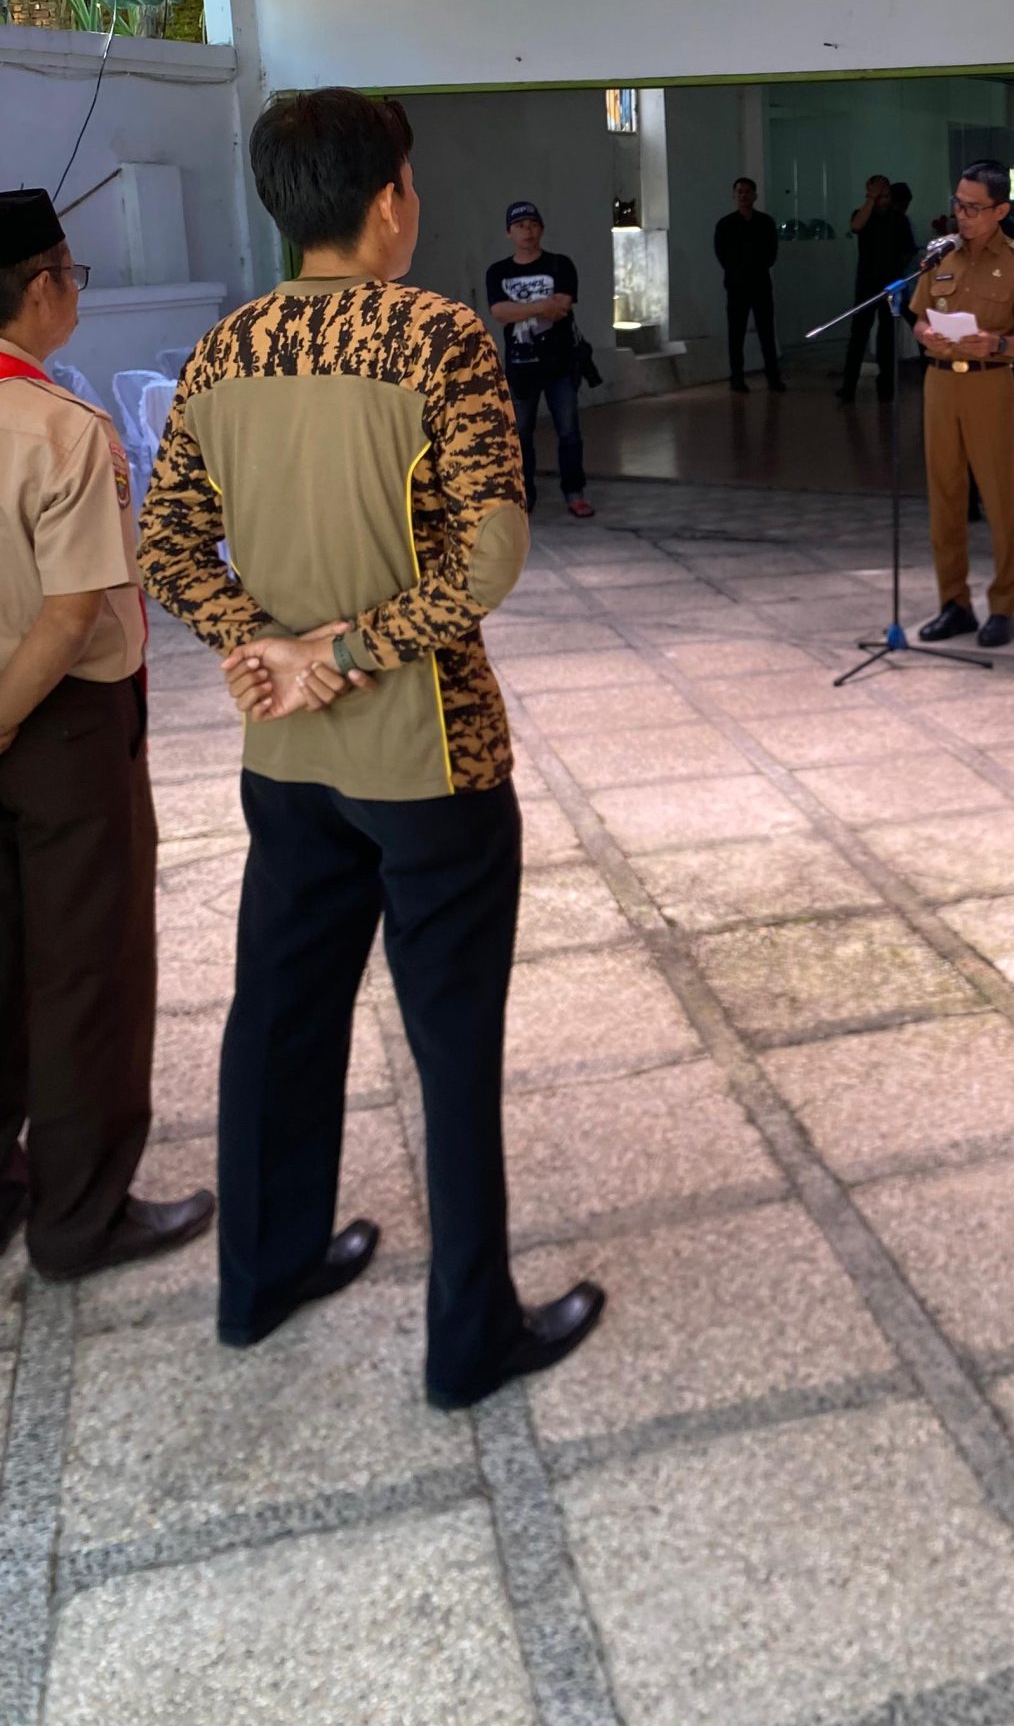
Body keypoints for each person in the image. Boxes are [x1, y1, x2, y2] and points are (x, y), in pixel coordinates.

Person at [140, 90, 603, 1411]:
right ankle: (470, 1337)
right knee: (450, 1044)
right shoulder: (438, 337)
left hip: (286, 760)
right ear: (390, 199)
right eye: (410, 182)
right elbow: (492, 553)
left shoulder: (224, 349)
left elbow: (167, 545)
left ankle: (262, 1276)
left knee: (278, 1017)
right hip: (429, 759)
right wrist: (344, 651)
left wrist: (265, 648)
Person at [0, 190, 212, 1279]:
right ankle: (81, 1217)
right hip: (60, 732)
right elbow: (71, 614)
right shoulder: (58, 428)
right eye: (72, 274)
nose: (74, 292)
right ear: (42, 287)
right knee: (87, 966)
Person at [910, 161, 1014, 651]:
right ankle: (955, 605)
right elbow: (918, 319)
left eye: (973, 208)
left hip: (990, 385)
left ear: (1001, 210)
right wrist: (925, 333)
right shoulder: (939, 255)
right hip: (939, 384)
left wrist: (999, 344)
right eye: (958, 204)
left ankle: (1003, 608)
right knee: (945, 498)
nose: (962, 215)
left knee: (999, 498)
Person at [486, 201, 592, 519]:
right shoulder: (498, 272)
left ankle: (574, 492)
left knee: (569, 431)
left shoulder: (560, 265)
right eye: (520, 226)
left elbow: (561, 307)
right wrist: (540, 306)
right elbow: (498, 312)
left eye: (533, 225)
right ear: (508, 233)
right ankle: (525, 494)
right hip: (521, 367)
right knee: (520, 434)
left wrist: (520, 309)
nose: (527, 231)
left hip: (560, 364)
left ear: (542, 229)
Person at [837, 173, 918, 403]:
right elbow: (856, 226)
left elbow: (909, 249)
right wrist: (870, 200)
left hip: (891, 283)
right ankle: (848, 387)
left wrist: (896, 268)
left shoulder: (899, 219)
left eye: (886, 195)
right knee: (859, 334)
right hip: (866, 283)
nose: (883, 199)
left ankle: (886, 386)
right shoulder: (862, 213)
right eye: (878, 195)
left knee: (887, 336)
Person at [713, 176, 784, 394]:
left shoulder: (765, 222)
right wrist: (737, 270)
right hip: (736, 285)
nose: (743, 195)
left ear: (755, 195)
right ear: (734, 196)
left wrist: (755, 266)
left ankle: (773, 377)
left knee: (766, 331)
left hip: (760, 283)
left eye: (747, 191)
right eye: (739, 191)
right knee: (736, 333)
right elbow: (721, 254)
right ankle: (737, 377)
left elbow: (771, 253)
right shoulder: (725, 224)